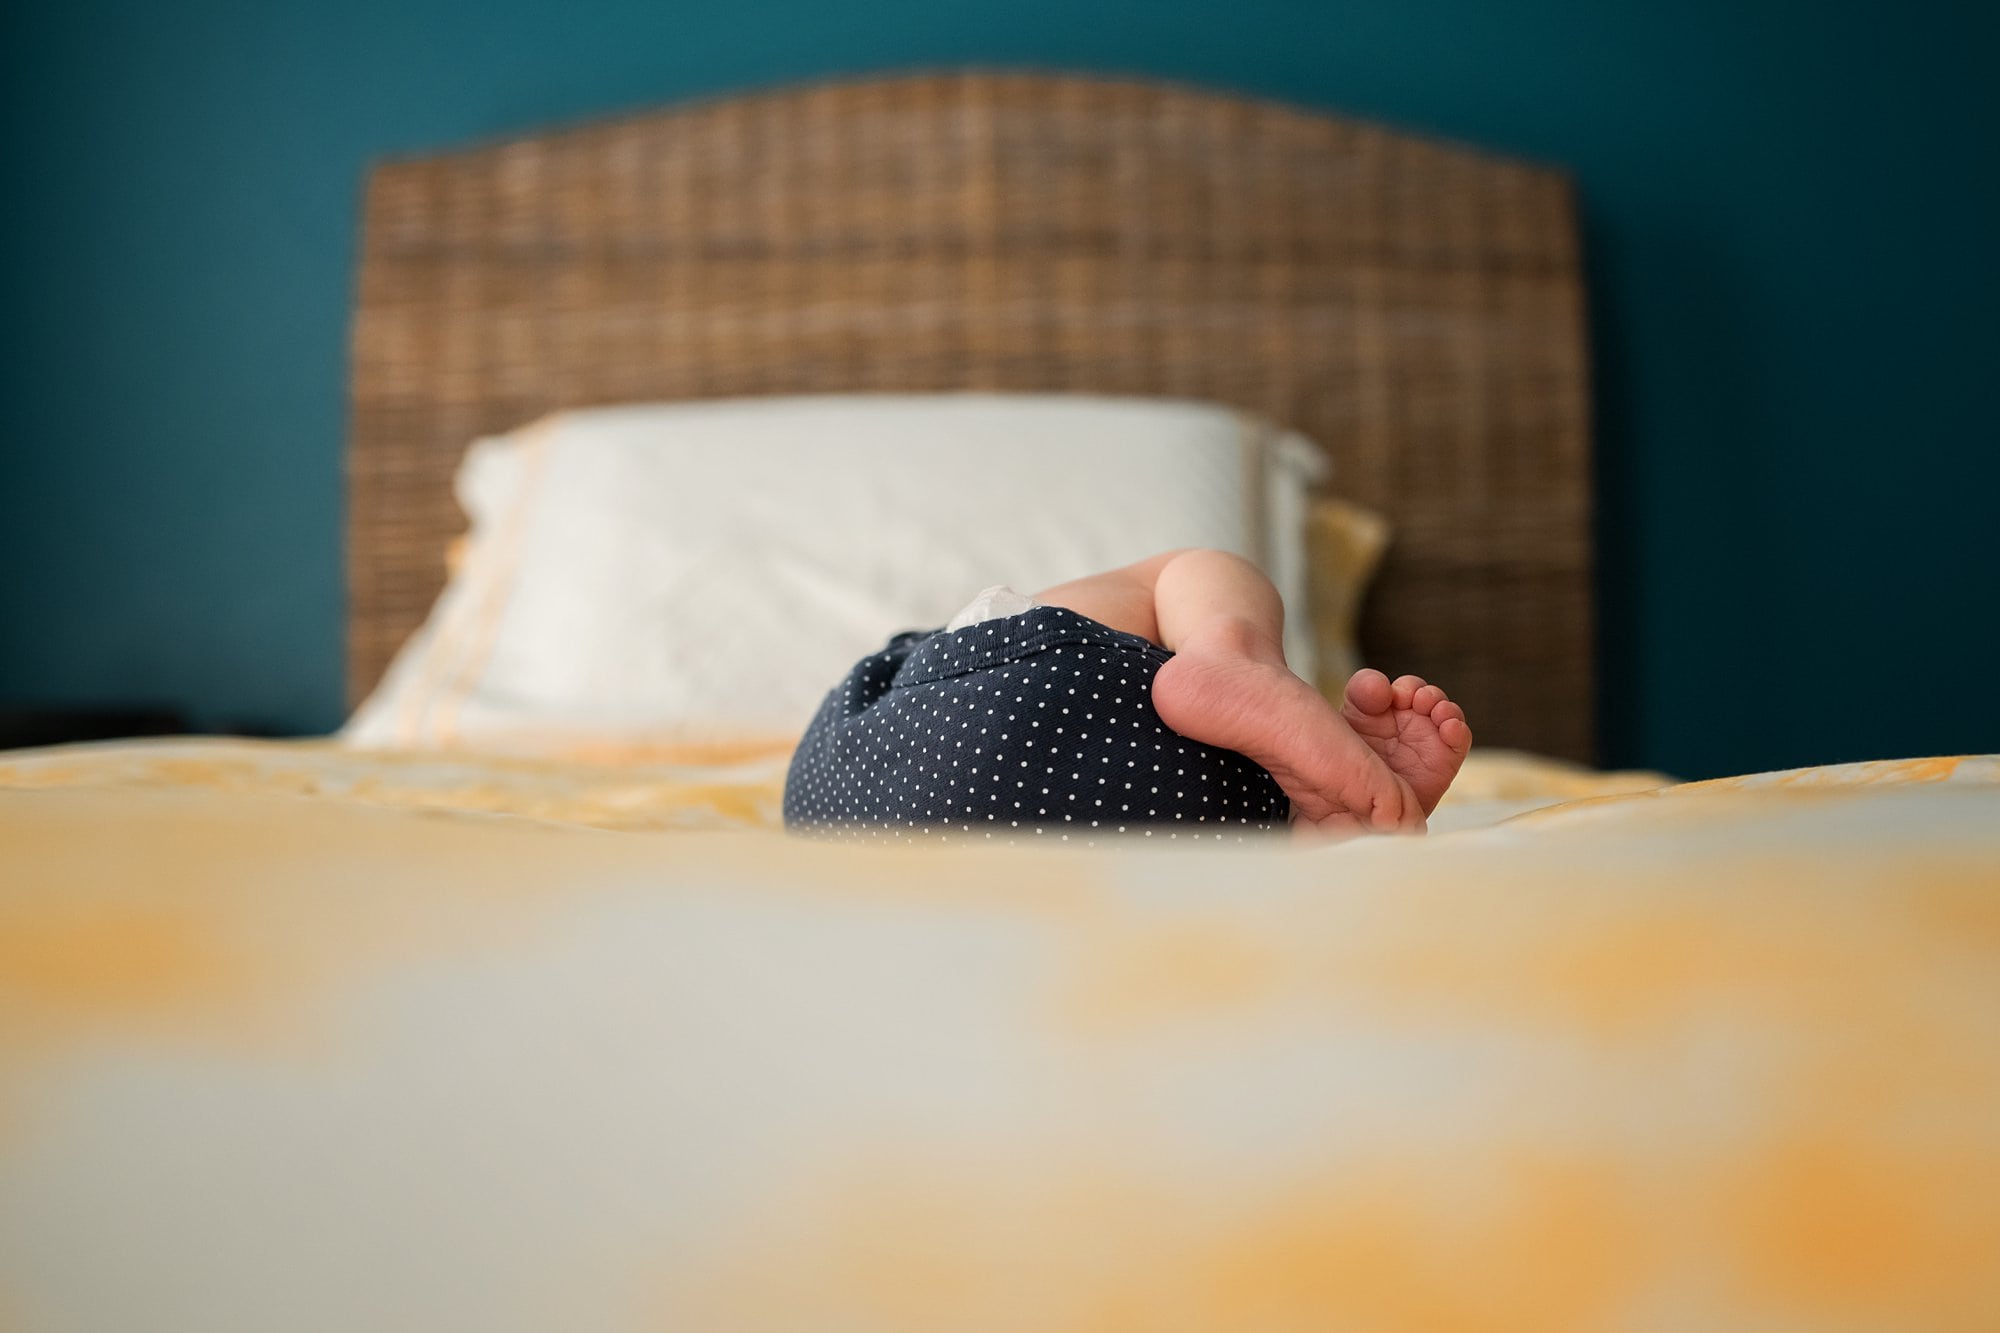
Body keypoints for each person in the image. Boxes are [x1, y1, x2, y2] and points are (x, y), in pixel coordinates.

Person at [782, 548, 1471, 842]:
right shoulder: (981, 652)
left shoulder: (904, 692)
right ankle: (1226, 650)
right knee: (1183, 572)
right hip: (1107, 756)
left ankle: (1308, 827)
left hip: (840, 814)